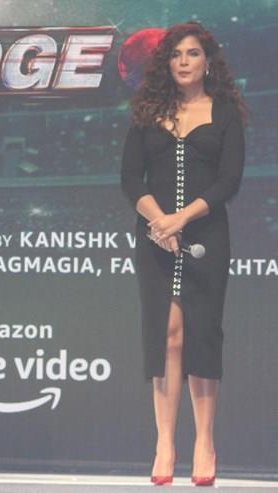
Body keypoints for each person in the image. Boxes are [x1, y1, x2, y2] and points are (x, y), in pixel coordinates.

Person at [120, 21, 245, 487]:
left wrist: (181, 219)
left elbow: (229, 180)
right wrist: (159, 221)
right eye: (176, 55)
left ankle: (204, 442)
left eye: (192, 53)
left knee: (201, 335)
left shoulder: (225, 113)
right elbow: (130, 178)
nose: (184, 62)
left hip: (206, 236)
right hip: (155, 239)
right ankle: (165, 443)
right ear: (165, 63)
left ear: (207, 61)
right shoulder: (146, 112)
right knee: (167, 335)